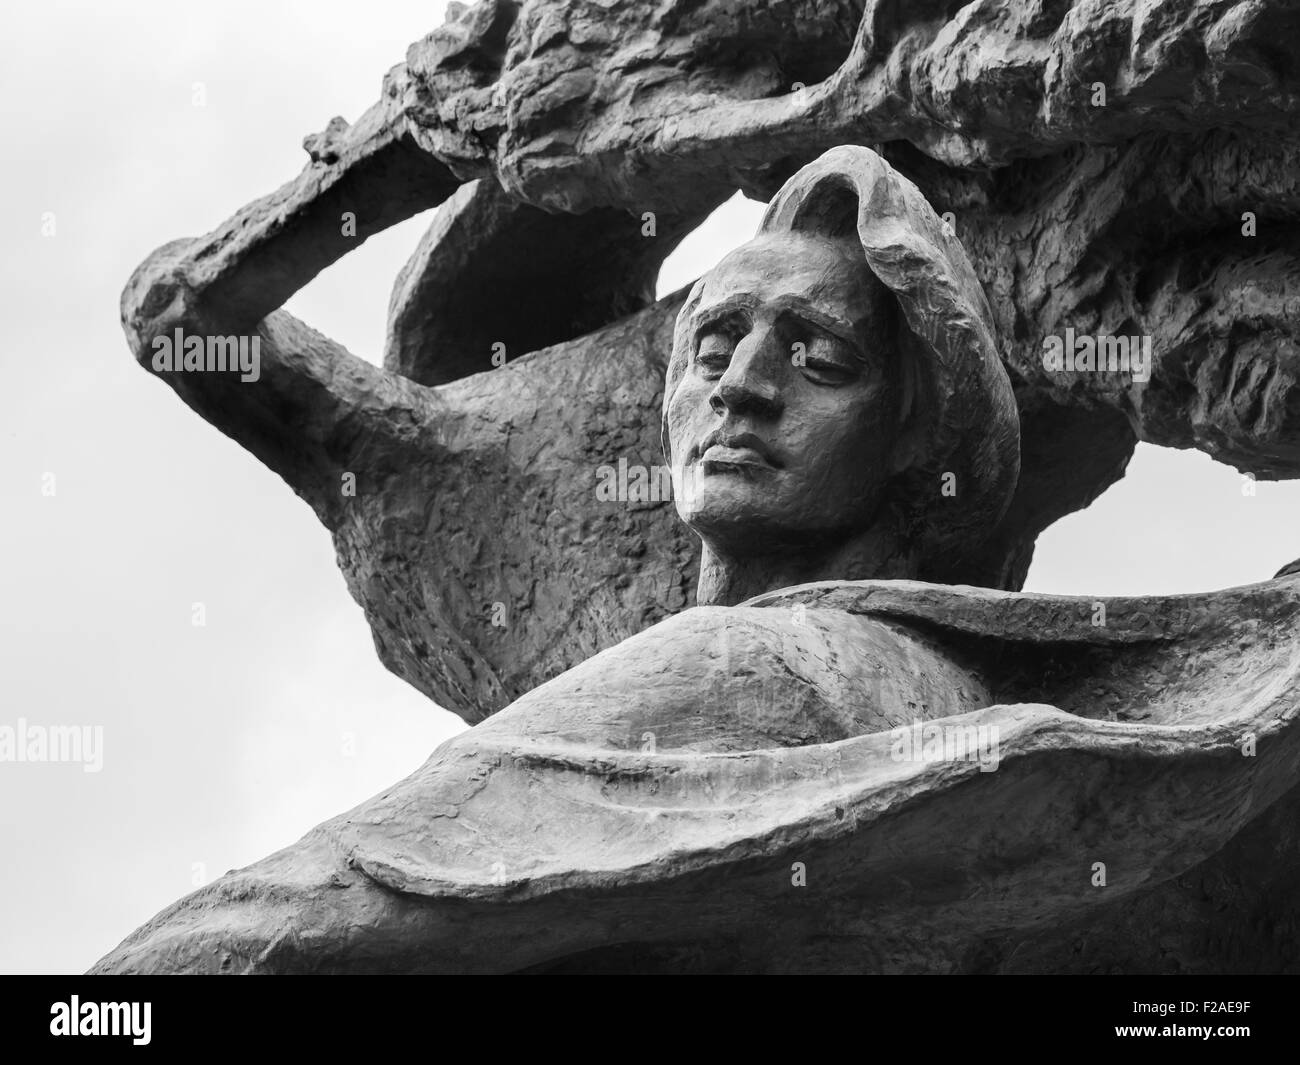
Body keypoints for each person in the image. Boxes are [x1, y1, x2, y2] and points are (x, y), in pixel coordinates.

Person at [94, 147, 1300, 974]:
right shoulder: (942, 683)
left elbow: (299, 917)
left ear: (912, 440)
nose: (743, 386)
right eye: (712, 343)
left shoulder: (770, 668)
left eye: (818, 359)